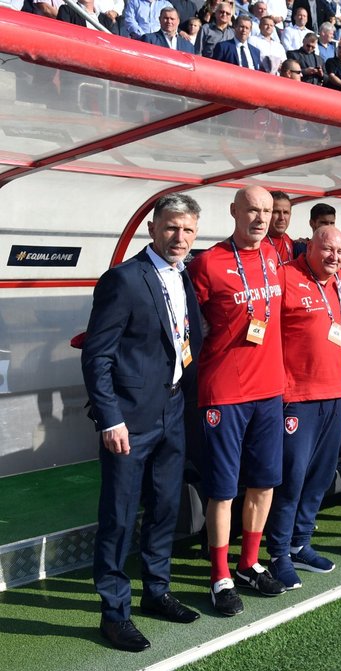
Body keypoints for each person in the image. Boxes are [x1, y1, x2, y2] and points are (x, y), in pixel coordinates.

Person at [82, 194, 203, 652]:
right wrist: (109, 418)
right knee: (117, 515)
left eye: (188, 230)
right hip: (129, 420)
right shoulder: (123, 280)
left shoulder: (183, 277)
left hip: (172, 411)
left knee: (166, 508)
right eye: (172, 228)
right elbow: (98, 356)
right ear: (153, 228)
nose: (180, 238)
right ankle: (114, 614)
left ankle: (156, 591)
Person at [188, 186, 287, 617]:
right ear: (234, 211)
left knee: (263, 483)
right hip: (224, 392)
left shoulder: (274, 256)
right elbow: (184, 323)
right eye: (253, 210)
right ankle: (219, 575)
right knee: (223, 489)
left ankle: (248, 562)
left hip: (269, 390)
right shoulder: (208, 262)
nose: (261, 218)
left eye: (267, 211)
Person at [265, 226, 341, 588]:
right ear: (310, 247)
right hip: (296, 398)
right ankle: (278, 553)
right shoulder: (285, 276)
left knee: (320, 477)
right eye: (327, 249)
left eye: (339, 251)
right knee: (292, 479)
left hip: (335, 397)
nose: (334, 256)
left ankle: (301, 542)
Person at [265, 191, 294, 265]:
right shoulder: (258, 243)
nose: (282, 218)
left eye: (286, 212)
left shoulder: (287, 238)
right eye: (276, 212)